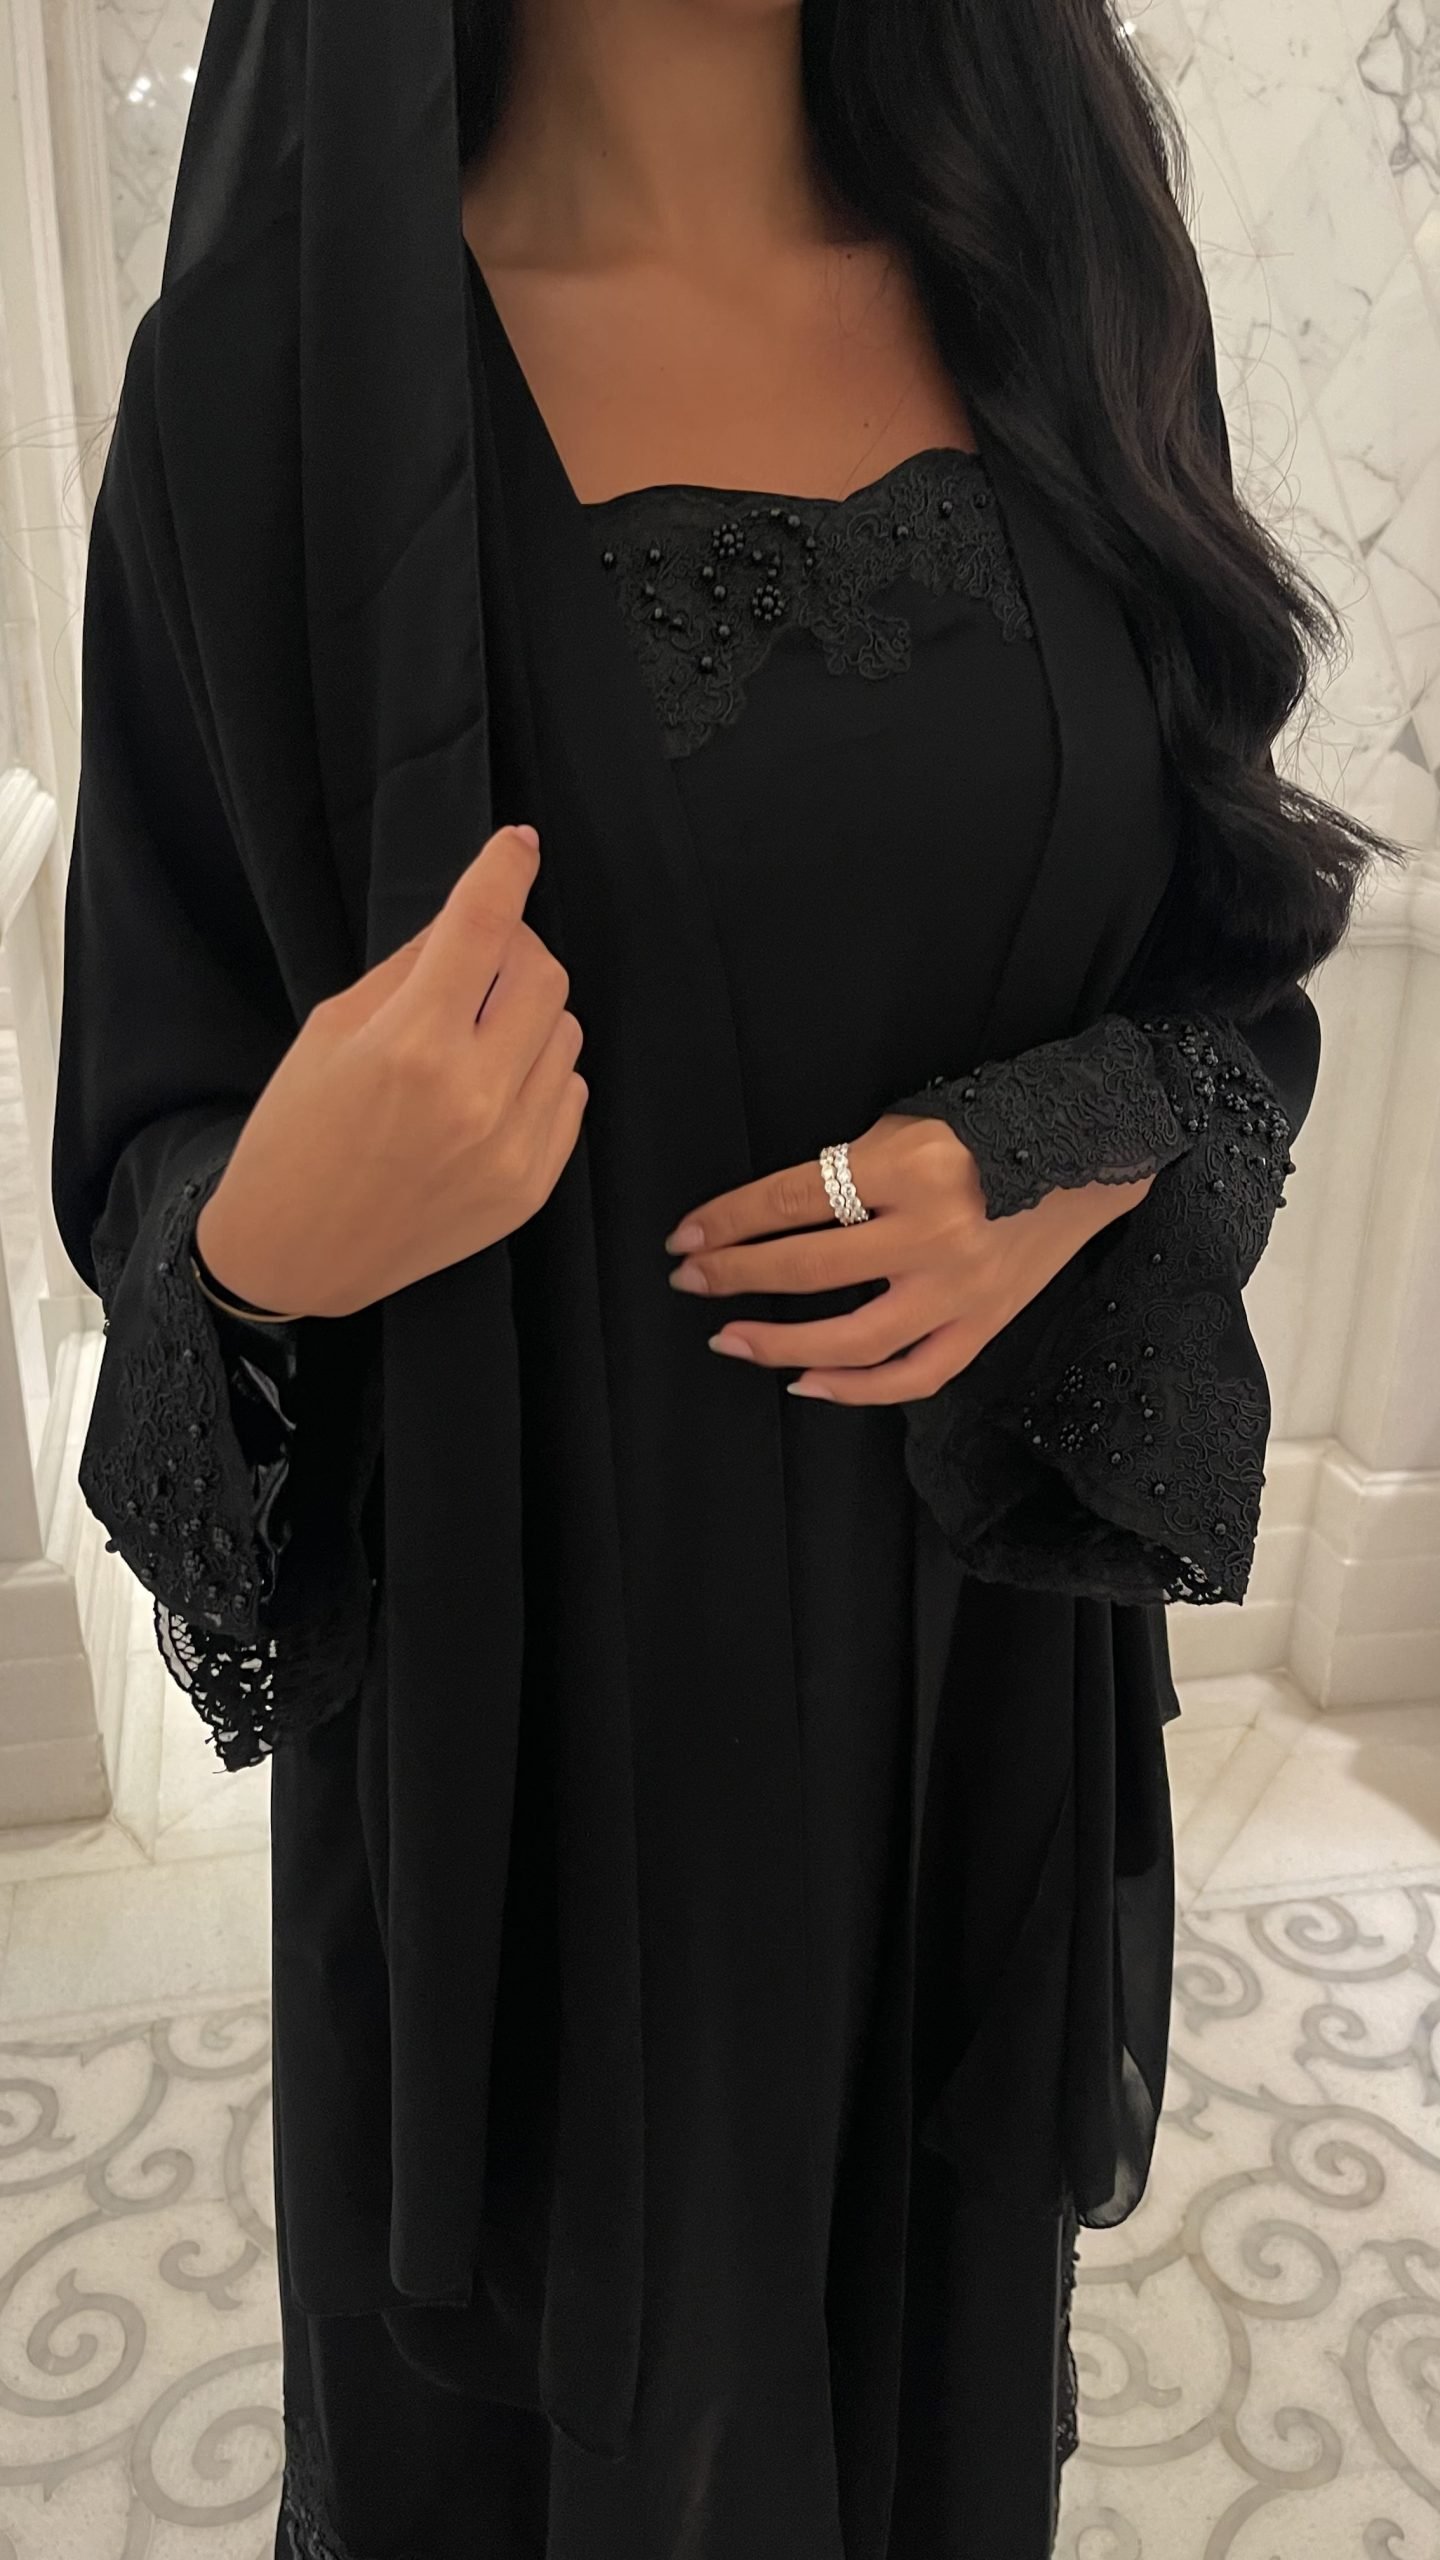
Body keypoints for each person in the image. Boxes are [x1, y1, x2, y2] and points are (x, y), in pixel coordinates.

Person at [50, 2, 1399, 2554]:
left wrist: (1058, 1153)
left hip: (969, 1711)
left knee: (918, 2426)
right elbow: (156, 1164)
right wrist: (279, 1222)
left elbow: (1224, 955)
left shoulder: (1062, 261)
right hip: (544, 1773)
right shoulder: (262, 398)